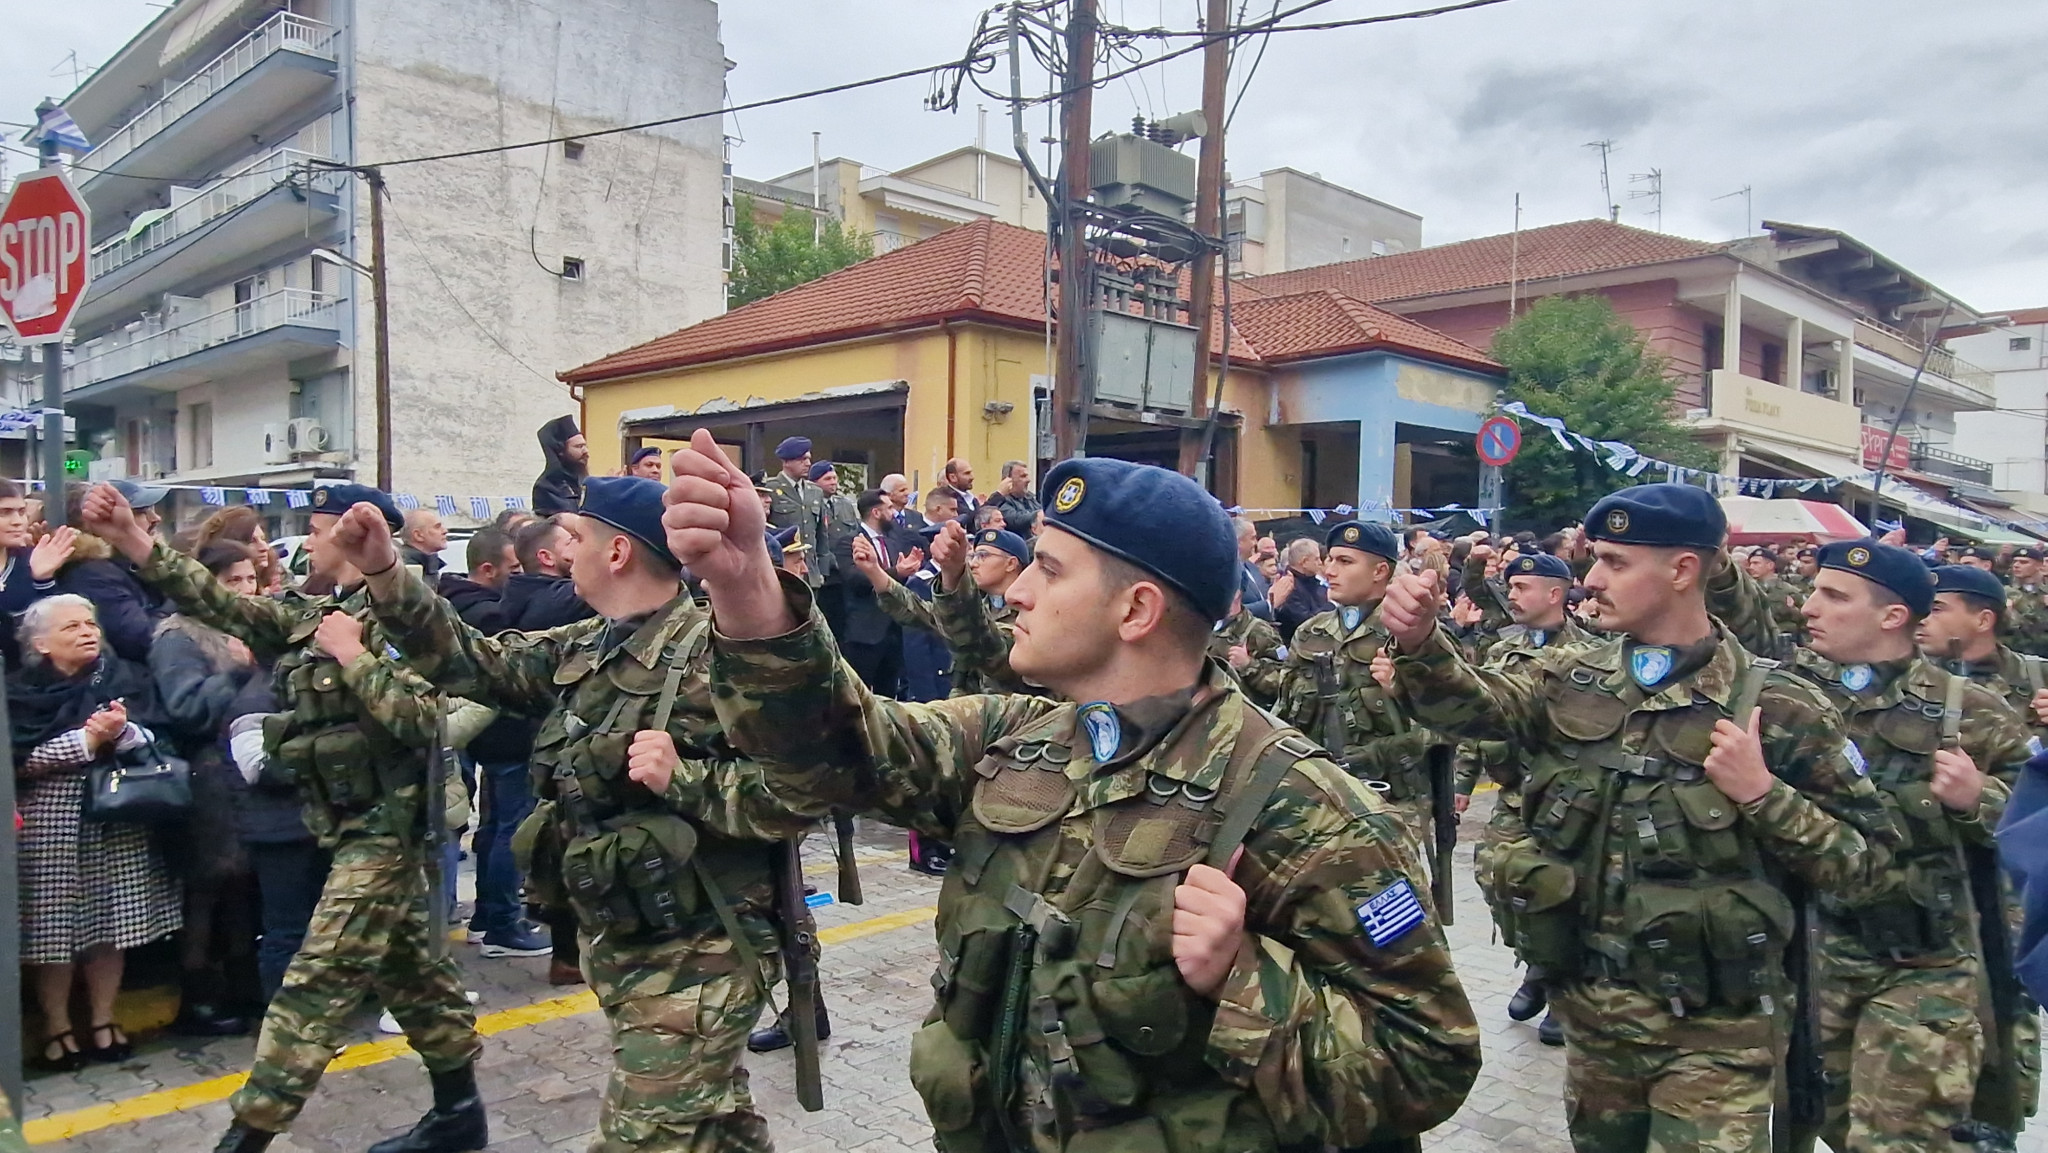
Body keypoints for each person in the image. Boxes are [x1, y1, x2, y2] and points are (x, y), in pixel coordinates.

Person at [663, 439, 1483, 1150]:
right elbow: (831, 752)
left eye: (1048, 570)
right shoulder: (1016, 737)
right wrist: (745, 589)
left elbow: (1425, 1061)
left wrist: (1240, 975)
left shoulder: (1304, 807)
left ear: (1136, 609)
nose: (1015, 591)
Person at [1377, 482, 1895, 1153]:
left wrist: (1765, 792)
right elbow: (1476, 708)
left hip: (1719, 1035)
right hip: (1596, 1021)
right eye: (1595, 558)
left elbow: (1871, 869)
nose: (1592, 579)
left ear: (1682, 569)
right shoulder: (1571, 675)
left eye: (1617, 562)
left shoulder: (1778, 706)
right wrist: (1422, 640)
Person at [320, 475, 825, 1153]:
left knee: (642, 1136)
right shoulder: (589, 645)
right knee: (714, 1126)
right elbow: (475, 663)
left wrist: (689, 778)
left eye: (574, 537)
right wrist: (385, 569)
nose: (561, 551)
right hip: (626, 935)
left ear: (617, 552)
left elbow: (805, 788)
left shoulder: (717, 652)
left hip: (704, 946)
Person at [80, 482, 485, 1153]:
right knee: (412, 975)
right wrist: (130, 536)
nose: (305, 540)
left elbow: (425, 719)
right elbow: (214, 599)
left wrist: (356, 654)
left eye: (319, 527)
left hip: (387, 829)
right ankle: (459, 1110)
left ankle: (246, 1136)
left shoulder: (410, 618)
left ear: (359, 535)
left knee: (313, 981)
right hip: (339, 821)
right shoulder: (311, 612)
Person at [11, 594, 184, 1072]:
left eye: (90, 623)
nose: (88, 632)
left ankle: (105, 1020)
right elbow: (18, 760)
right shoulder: (19, 692)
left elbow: (160, 738)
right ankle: (57, 1027)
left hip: (118, 817)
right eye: (72, 627)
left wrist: (125, 733)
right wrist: (85, 741)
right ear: (41, 643)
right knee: (54, 932)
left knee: (112, 925)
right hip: (51, 826)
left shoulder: (123, 678)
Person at [1444, 551, 1593, 1048]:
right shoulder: (1504, 649)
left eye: (1523, 586)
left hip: (1567, 795)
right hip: (1514, 792)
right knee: (1496, 875)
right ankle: (1536, 965)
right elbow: (1477, 719)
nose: (1513, 593)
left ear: (1555, 593)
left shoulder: (1591, 654)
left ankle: (1559, 987)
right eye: (1511, 585)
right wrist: (1462, 786)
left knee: (1559, 891)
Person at [153, 542, 265, 1038]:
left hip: (249, 769)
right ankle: (197, 995)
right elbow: (186, 708)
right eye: (232, 581)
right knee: (209, 885)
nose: (244, 590)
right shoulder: (178, 635)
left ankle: (244, 985)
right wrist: (238, 671)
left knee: (244, 885)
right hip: (207, 773)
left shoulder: (251, 626)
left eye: (250, 580)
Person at [1277, 520, 1440, 855]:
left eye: (1345, 562)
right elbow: (1285, 713)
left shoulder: (1411, 636)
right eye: (1330, 559)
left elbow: (1444, 727)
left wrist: (1371, 756)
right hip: (1316, 799)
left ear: (1380, 570)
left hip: (1389, 800)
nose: (1330, 570)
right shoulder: (1311, 633)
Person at [57, 480, 168, 662]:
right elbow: (141, 639)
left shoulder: (126, 562)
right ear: (95, 523)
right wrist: (178, 601)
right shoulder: (92, 573)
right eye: (140, 512)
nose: (156, 519)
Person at [830, 489, 911, 695]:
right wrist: (895, 572)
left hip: (894, 629)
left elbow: (899, 579)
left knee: (889, 694)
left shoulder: (893, 542)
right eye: (889, 508)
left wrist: (909, 571)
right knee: (860, 694)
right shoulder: (849, 542)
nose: (894, 513)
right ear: (876, 512)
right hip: (864, 632)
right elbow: (856, 580)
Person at [0, 479, 71, 666]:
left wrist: (43, 579)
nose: (17, 522)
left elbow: (53, 628)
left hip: (21, 682)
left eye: (22, 512)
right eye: (5, 513)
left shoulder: (31, 560)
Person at [762, 436, 828, 588]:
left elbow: (821, 535)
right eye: (802, 459)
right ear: (786, 462)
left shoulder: (815, 491)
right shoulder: (771, 489)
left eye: (808, 459)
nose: (808, 464)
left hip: (810, 572)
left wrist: (822, 571)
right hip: (784, 569)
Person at [1207, 589, 1286, 707]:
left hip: (1242, 716)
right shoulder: (1202, 625)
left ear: (1237, 593)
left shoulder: (1260, 631)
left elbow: (1284, 684)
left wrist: (1248, 664)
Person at [1268, 536, 1331, 642]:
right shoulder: (1288, 587)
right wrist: (1331, 604)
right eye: (1316, 559)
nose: (1320, 562)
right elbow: (1305, 622)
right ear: (1304, 562)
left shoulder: (1313, 583)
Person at [533, 414, 589, 515]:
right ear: (561, 451)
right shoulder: (546, 487)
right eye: (579, 446)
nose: (586, 451)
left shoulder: (582, 480)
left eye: (585, 445)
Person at [1233, 515, 1273, 621]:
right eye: (1252, 538)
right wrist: (1268, 604)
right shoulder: (1227, 572)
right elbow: (1231, 613)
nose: (1256, 543)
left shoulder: (1251, 568)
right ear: (1238, 541)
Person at [984, 459, 1039, 526]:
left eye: (1027, 476)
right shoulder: (1001, 501)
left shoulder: (1029, 498)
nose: (1028, 480)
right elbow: (1016, 520)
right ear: (1008, 480)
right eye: (1023, 476)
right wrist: (1039, 515)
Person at [399, 509, 449, 578]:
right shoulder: (402, 570)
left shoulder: (430, 566)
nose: (445, 531)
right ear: (418, 535)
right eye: (437, 527)